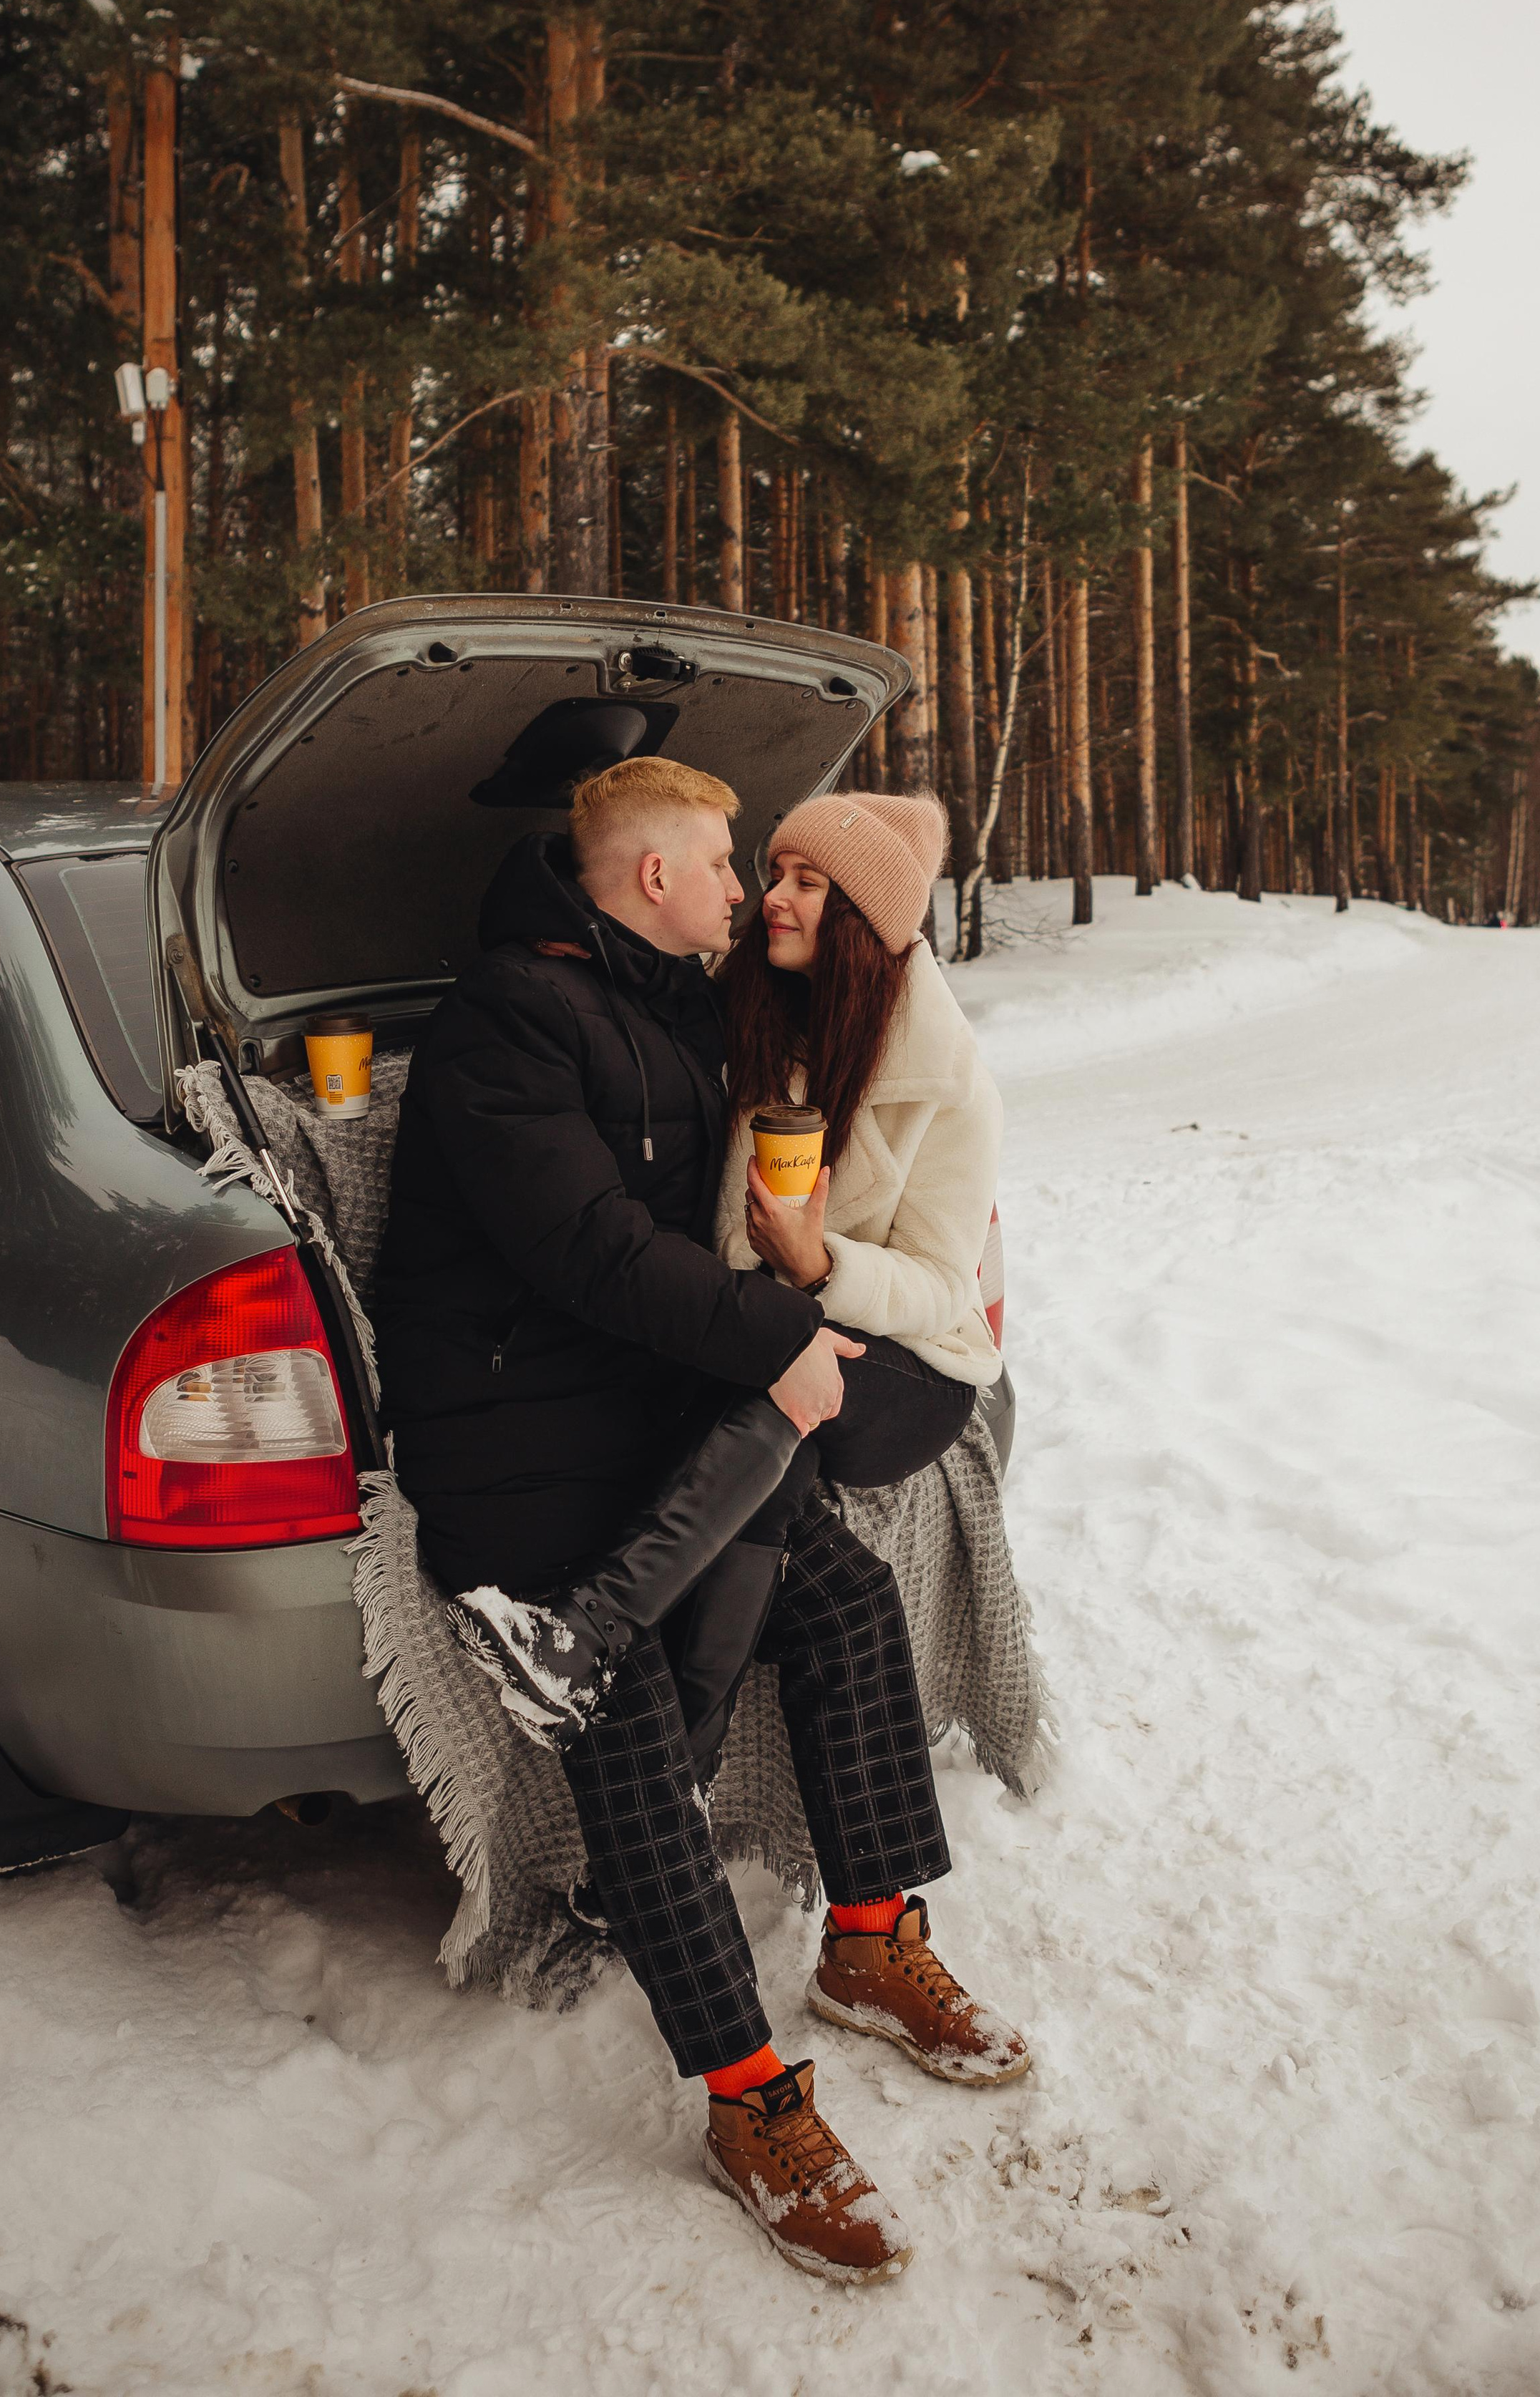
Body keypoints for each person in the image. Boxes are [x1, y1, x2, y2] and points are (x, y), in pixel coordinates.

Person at [370, 757, 1025, 2287]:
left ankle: (868, 1936)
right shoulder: (504, 1023)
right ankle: (747, 2099)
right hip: (516, 1444)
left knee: (846, 1603)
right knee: (620, 1701)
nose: (746, 893)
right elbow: (590, 1250)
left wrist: (802, 1317)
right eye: (729, 865)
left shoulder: (673, 997)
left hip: (651, 1418)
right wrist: (776, 1343)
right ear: (656, 877)